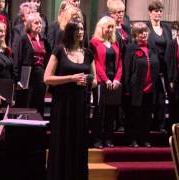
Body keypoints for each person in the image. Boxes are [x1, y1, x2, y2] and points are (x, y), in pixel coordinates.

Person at [44, 20, 96, 180]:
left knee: (78, 142)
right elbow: (47, 78)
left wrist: (87, 80)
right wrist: (71, 78)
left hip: (80, 104)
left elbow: (94, 81)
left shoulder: (88, 53)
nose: (80, 32)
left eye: (82, 29)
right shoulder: (59, 50)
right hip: (62, 104)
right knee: (61, 141)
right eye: (77, 29)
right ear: (69, 31)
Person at [124, 22, 160, 147]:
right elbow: (127, 69)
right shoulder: (130, 48)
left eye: (145, 31)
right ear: (135, 35)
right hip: (136, 89)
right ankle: (132, 139)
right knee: (135, 115)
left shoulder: (152, 47)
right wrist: (127, 88)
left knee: (147, 115)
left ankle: (145, 139)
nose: (144, 34)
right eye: (140, 32)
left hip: (151, 87)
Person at [90, 16, 122, 148]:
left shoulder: (115, 43)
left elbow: (119, 63)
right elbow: (95, 63)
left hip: (114, 82)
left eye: (112, 27)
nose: (110, 29)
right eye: (108, 27)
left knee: (111, 111)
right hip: (101, 81)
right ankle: (97, 139)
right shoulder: (94, 42)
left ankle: (109, 138)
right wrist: (106, 79)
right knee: (99, 112)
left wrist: (117, 79)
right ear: (101, 28)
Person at [13, 13, 51, 116]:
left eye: (40, 23)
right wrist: (16, 79)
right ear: (29, 25)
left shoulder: (44, 41)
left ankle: (37, 131)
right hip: (27, 76)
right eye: (36, 23)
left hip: (41, 75)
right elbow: (17, 59)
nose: (39, 25)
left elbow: (49, 59)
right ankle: (25, 131)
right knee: (26, 103)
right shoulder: (24, 39)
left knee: (39, 104)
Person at [146, 0, 172, 133]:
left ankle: (161, 124)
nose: (159, 13)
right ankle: (149, 124)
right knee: (152, 96)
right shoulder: (145, 27)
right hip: (150, 67)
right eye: (156, 11)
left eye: (160, 11)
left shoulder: (166, 28)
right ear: (150, 13)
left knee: (163, 97)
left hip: (165, 68)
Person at [107, 0, 131, 132]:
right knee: (114, 96)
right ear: (111, 14)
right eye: (117, 12)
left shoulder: (125, 28)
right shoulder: (109, 28)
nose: (120, 15)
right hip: (114, 65)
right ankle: (115, 123)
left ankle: (123, 122)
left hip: (127, 64)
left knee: (124, 95)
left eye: (122, 12)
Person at [165, 21, 179, 131]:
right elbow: (168, 63)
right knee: (174, 107)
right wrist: (170, 79)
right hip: (175, 80)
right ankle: (172, 134)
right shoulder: (172, 44)